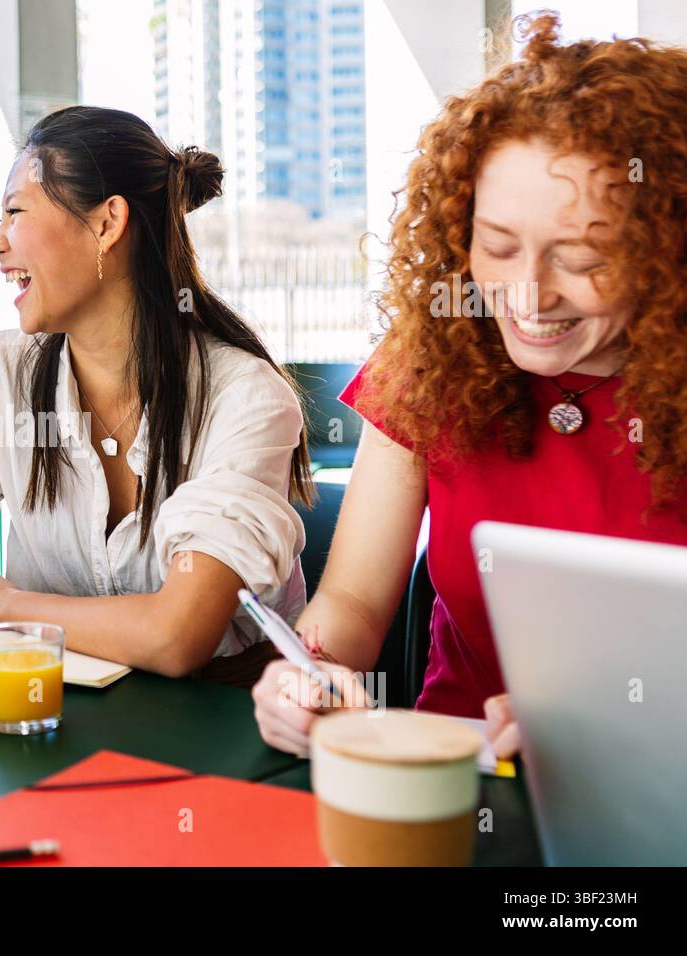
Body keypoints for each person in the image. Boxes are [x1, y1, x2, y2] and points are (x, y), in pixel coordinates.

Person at [253, 13, 687, 758]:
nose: (527, 294)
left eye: (582, 260)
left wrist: (627, 715)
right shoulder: (435, 358)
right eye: (498, 246)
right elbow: (352, 604)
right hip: (456, 772)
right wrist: (308, 672)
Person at [0, 106, 313, 685]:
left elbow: (178, 635)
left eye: (14, 212)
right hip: (52, 708)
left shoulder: (246, 397)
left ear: (107, 224)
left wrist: (6, 610)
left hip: (224, 718)